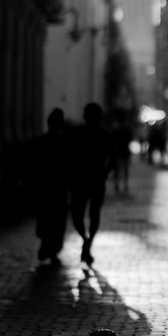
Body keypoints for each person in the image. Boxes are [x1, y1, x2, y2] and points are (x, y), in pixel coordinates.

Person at [69, 102, 116, 265]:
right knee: (87, 215)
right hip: (91, 179)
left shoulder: (84, 133)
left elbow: (113, 159)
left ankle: (86, 242)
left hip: (86, 179)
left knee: (83, 215)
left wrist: (104, 172)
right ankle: (87, 242)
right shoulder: (101, 134)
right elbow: (113, 159)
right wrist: (104, 172)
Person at [30, 108, 69, 264]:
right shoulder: (64, 142)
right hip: (57, 187)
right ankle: (52, 249)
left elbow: (34, 165)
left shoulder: (40, 142)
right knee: (56, 219)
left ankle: (47, 245)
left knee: (46, 217)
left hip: (46, 186)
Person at [112, 115, 133, 193]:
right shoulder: (127, 130)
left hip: (118, 151)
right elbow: (130, 138)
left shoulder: (116, 130)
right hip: (124, 151)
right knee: (125, 168)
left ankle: (117, 183)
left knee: (118, 169)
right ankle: (125, 183)